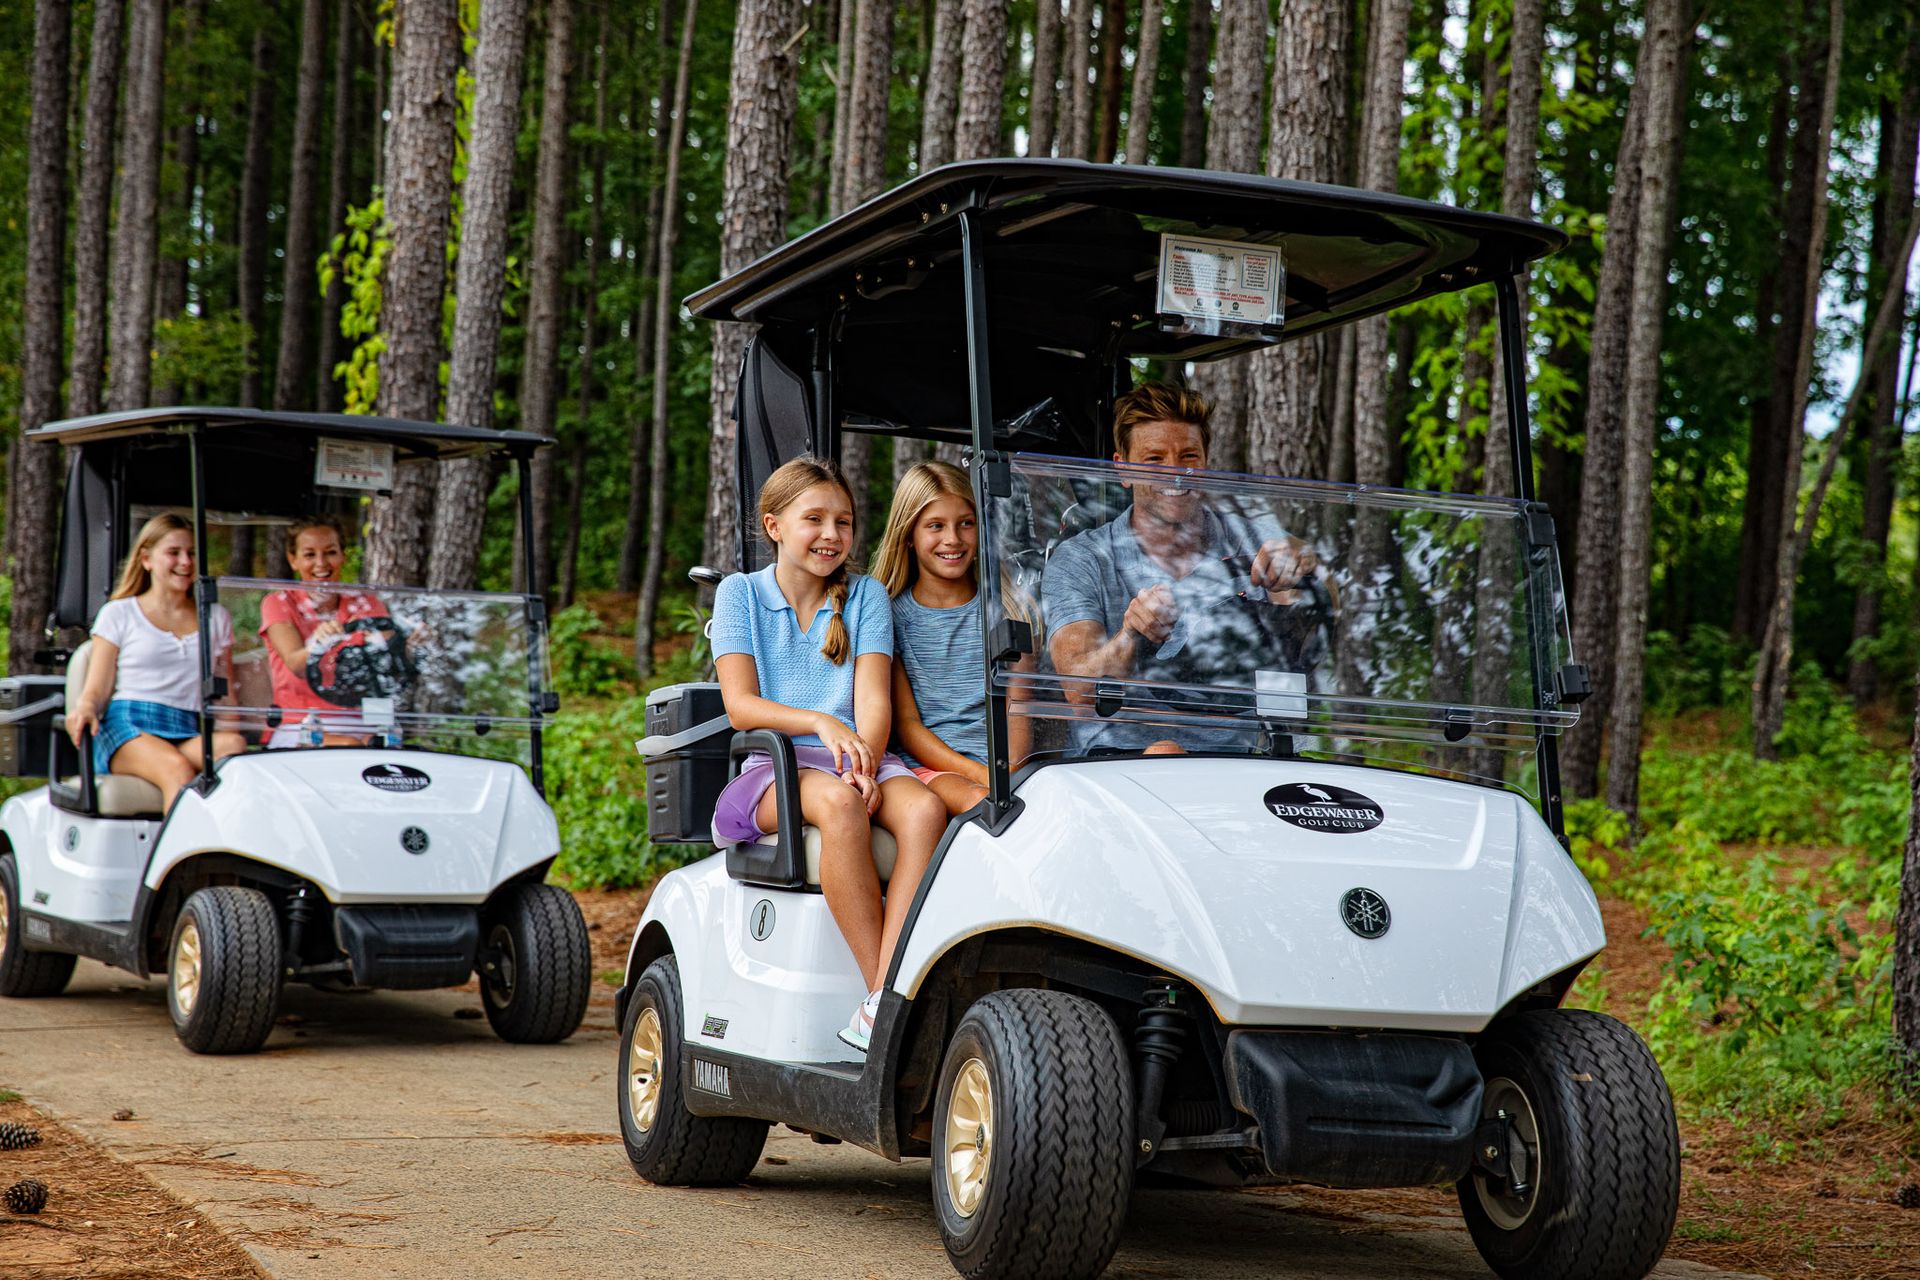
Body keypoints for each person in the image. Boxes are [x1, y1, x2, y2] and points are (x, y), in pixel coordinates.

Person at [708, 456, 947, 1053]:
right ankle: (884, 999)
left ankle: (881, 999)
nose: (832, 535)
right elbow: (741, 706)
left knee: (922, 811)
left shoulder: (865, 596)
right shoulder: (739, 595)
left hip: (856, 757)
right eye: (813, 519)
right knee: (840, 808)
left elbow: (873, 708)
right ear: (774, 526)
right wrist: (819, 721)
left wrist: (864, 758)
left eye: (843, 521)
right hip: (777, 766)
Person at [1043, 381, 1333, 754]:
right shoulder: (1083, 559)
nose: (1175, 473)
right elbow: (1078, 689)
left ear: (1206, 462)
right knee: (1163, 753)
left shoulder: (1252, 538)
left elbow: (1323, 620)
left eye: (1188, 457)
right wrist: (1130, 634)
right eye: (1154, 459)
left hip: (1242, 761)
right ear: (1123, 470)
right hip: (1117, 766)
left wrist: (1306, 563)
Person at [872, 461, 1035, 817]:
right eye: (935, 526)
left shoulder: (1007, 608)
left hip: (1007, 768)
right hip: (929, 770)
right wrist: (983, 776)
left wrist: (1010, 774)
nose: (953, 539)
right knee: (981, 803)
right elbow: (908, 726)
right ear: (909, 535)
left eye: (966, 523)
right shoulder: (888, 616)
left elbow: (1018, 709)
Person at [66, 513, 246, 813]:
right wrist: (85, 707)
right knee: (177, 770)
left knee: (234, 748)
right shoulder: (119, 614)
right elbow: (96, 689)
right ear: (147, 559)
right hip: (130, 726)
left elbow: (224, 692)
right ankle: (181, 860)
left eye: (191, 553)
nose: (186, 562)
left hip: (187, 727)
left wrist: (231, 729)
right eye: (173, 553)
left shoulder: (215, 617)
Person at [259, 516, 405, 748]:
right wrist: (319, 643)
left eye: (330, 552)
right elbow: (296, 665)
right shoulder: (279, 602)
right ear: (293, 560)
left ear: (342, 555)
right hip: (301, 722)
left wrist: (404, 645)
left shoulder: (367, 603)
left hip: (363, 720)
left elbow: (387, 666)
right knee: (348, 745)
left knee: (382, 749)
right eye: (309, 555)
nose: (321, 563)